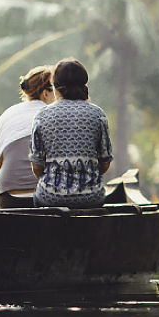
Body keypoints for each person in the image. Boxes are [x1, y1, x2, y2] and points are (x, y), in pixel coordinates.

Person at [29, 58, 112, 207]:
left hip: (50, 196)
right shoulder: (97, 114)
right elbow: (105, 163)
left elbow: (36, 166)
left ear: (55, 86)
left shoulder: (42, 116)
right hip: (91, 197)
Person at [0, 66, 54, 209]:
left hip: (9, 198)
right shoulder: (52, 114)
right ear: (46, 93)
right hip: (46, 197)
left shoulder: (9, 113)